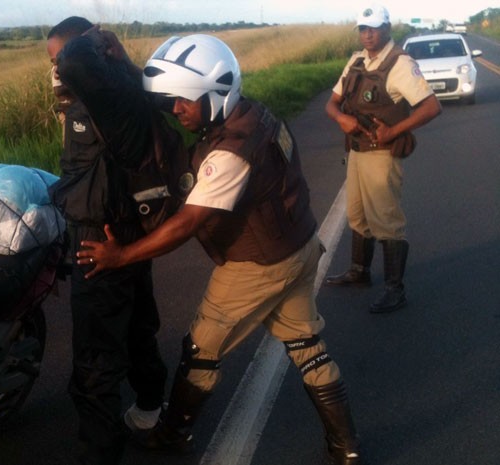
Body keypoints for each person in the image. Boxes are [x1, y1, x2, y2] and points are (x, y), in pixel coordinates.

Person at [78, 34, 362, 465]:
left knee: (200, 350)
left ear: (214, 96)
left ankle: (172, 435)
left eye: (184, 102)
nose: (176, 110)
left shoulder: (229, 155)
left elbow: (187, 223)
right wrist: (131, 66)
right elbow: (189, 96)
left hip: (259, 264)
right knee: (307, 346)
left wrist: (121, 256)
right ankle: (347, 448)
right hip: (299, 247)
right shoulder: (252, 112)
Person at [46, 17, 189, 465]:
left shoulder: (106, 96)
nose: (55, 70)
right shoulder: (123, 88)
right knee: (137, 325)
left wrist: (90, 44)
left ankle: (101, 452)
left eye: (57, 59)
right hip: (123, 228)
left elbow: (76, 65)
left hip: (99, 239)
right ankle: (149, 409)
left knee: (94, 362)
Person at [324, 4, 442, 313]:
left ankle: (395, 290)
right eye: (362, 29)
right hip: (357, 150)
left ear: (387, 29)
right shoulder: (356, 61)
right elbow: (332, 104)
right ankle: (359, 271)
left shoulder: (400, 64)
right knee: (357, 214)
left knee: (387, 221)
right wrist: (342, 120)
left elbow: (431, 107)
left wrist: (394, 131)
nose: (367, 34)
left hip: (381, 154)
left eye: (373, 28)